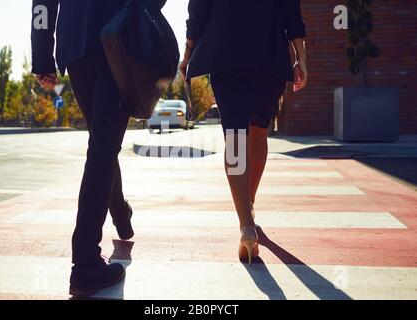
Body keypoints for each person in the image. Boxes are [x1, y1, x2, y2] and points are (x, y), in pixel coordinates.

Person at [31, 0, 167, 297]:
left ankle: (121, 215)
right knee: (103, 147)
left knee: (102, 144)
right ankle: (85, 263)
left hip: (76, 41)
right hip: (120, 37)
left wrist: (42, 53)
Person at [180, 0, 308, 264]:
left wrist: (188, 52)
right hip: (269, 54)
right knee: (259, 133)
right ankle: (247, 205)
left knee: (236, 138)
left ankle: (246, 225)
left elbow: (199, 10)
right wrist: (301, 58)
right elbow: (290, 9)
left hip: (224, 53)